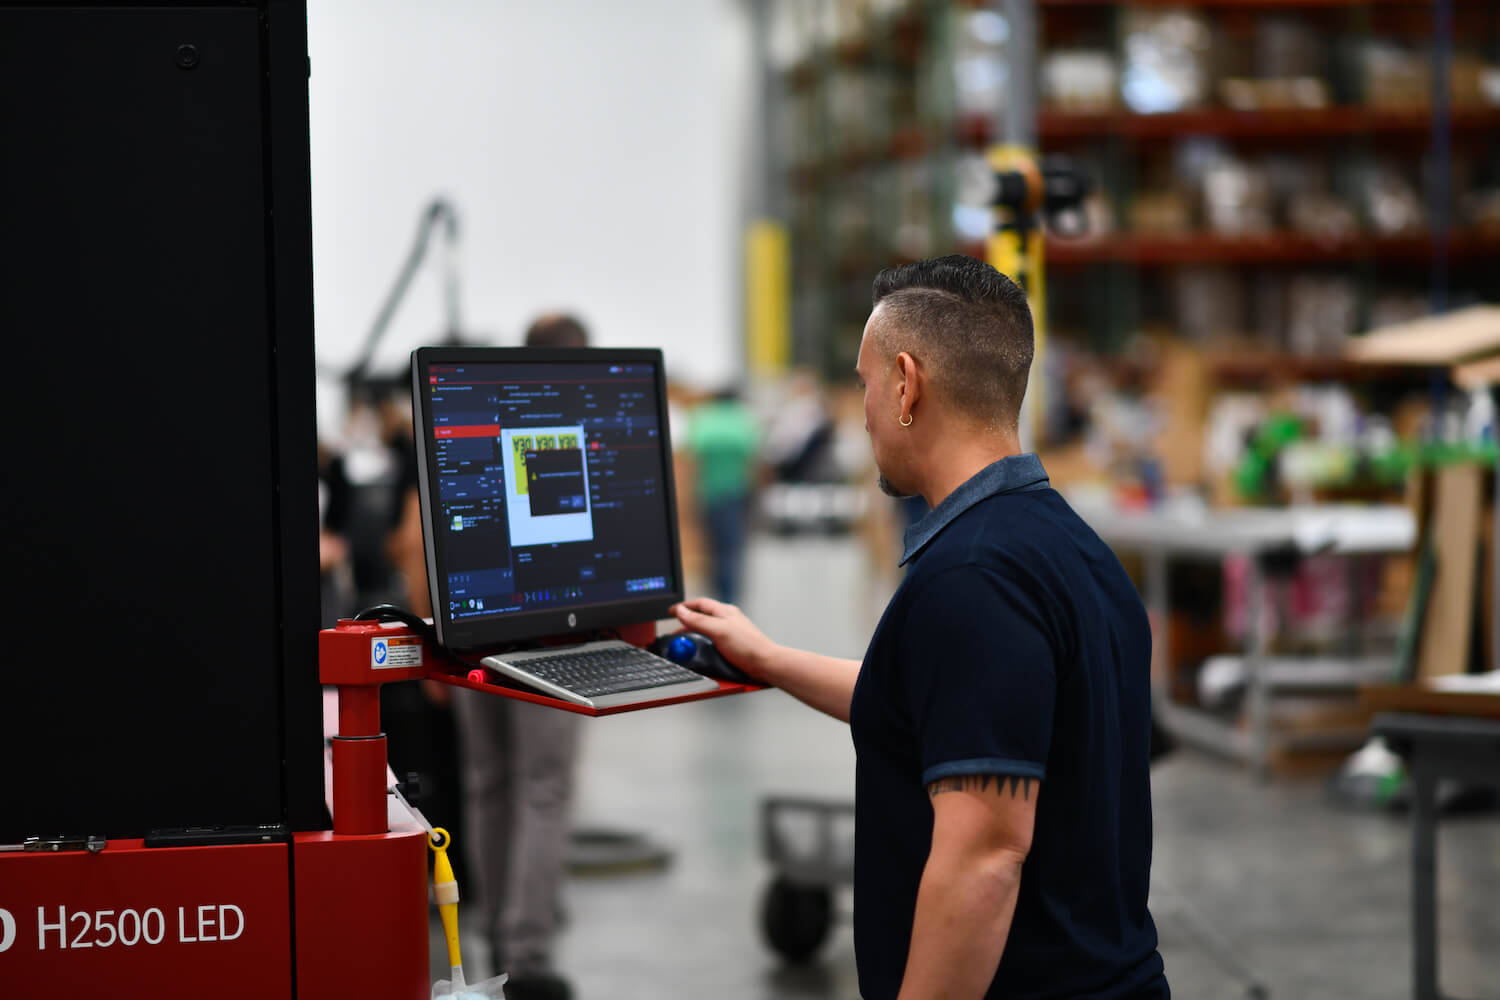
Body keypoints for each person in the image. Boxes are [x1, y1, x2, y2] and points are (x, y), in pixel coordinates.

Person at [673, 255, 1168, 999]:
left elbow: (985, 858)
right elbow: (933, 708)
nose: (864, 410)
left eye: (866, 384)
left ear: (906, 383)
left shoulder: (975, 580)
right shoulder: (1064, 544)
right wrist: (769, 658)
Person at [448, 313, 589, 1000]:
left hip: (470, 633)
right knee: (542, 787)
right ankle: (526, 953)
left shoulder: (476, 421)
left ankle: (497, 939)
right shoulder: (574, 433)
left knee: (488, 783)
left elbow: (427, 535)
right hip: (548, 638)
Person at [683, 386, 761, 604]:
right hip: (735, 494)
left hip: (707, 493)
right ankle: (730, 602)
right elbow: (754, 459)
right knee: (732, 552)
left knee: (711, 551)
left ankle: (715, 601)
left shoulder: (703, 420)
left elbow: (693, 458)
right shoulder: (742, 420)